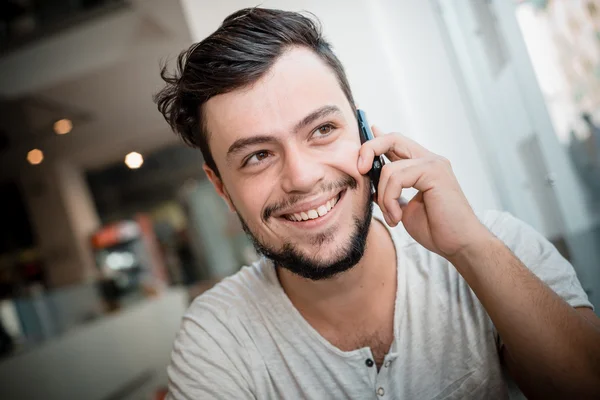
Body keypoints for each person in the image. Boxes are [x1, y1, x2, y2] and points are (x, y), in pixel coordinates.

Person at [155, 8, 600, 400]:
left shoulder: (490, 243)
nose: (303, 177)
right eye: (257, 156)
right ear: (220, 187)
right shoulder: (215, 340)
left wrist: (471, 249)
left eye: (323, 130)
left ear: (365, 130)